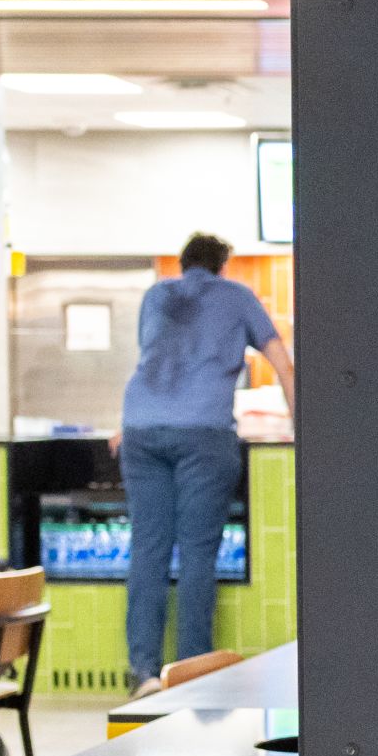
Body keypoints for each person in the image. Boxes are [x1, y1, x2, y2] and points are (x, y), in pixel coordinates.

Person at [118, 232, 295, 687]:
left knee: (148, 550)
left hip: (141, 431)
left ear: (182, 263)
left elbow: (152, 361)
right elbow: (282, 363)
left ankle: (143, 674)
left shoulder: (156, 295)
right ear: (222, 264)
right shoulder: (237, 296)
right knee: (197, 552)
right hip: (202, 435)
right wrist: (304, 428)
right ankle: (191, 676)